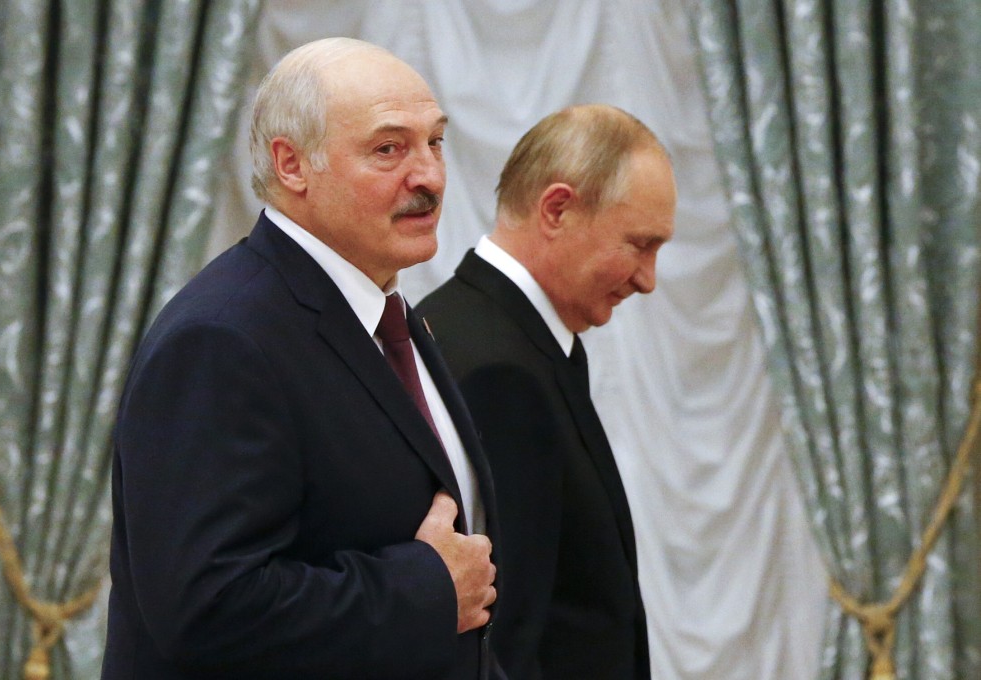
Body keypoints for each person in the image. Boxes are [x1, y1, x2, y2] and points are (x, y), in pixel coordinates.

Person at [102, 38, 503, 680]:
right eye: (388, 149)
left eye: (435, 142)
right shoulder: (220, 338)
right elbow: (205, 609)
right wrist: (424, 591)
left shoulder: (388, 316)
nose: (428, 175)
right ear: (292, 165)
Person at [417, 104, 676, 679]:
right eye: (639, 244)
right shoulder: (497, 368)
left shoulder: (509, 335)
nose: (648, 279)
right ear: (557, 209)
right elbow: (508, 634)